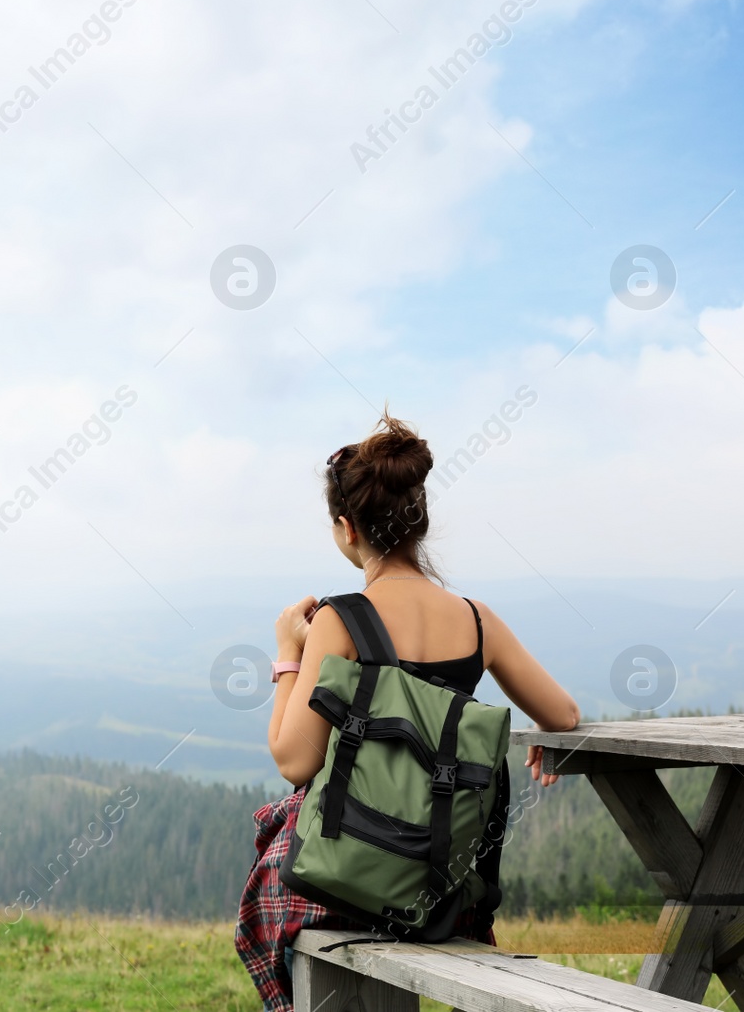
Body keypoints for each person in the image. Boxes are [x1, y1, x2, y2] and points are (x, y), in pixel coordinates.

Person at [235, 412, 580, 1012]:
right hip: (442, 884)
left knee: (279, 846)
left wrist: (289, 654)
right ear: (420, 520)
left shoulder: (341, 620)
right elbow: (564, 714)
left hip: (349, 880)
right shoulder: (476, 620)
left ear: (347, 530)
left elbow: (294, 761)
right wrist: (549, 737)